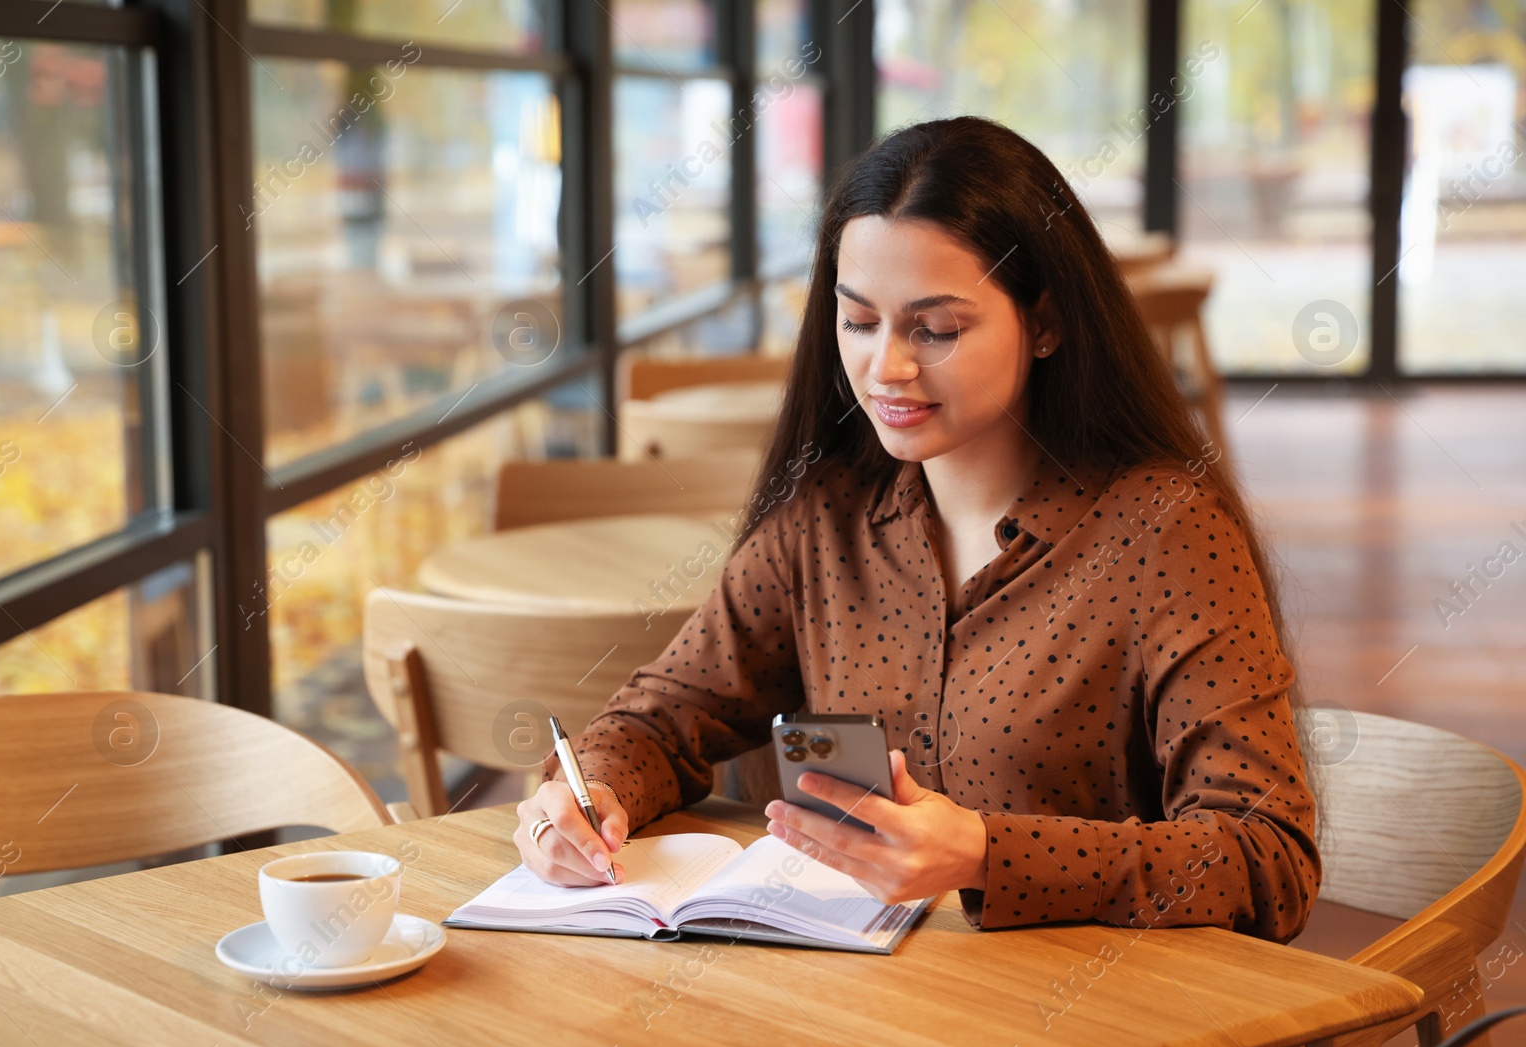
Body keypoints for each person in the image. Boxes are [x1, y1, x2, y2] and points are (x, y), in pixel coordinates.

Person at [514, 116, 1320, 954]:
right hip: (872, 1019)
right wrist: (590, 788)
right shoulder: (823, 520)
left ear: (1044, 323)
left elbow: (1270, 858)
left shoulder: (1165, 534)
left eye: (934, 330)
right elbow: (665, 715)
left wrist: (983, 851)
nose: (886, 368)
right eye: (859, 322)